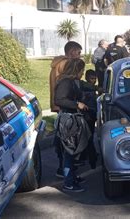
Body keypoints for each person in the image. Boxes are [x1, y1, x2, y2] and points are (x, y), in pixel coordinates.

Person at [54, 58, 89, 192]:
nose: (82, 73)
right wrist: (76, 104)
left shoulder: (72, 82)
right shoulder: (65, 82)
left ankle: (72, 176)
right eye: (82, 70)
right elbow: (59, 100)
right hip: (67, 120)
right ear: (77, 70)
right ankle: (68, 182)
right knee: (69, 152)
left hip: (72, 118)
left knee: (73, 152)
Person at [49, 41, 82, 112]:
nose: (79, 56)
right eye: (78, 53)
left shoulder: (58, 62)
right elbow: (76, 78)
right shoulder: (66, 63)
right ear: (72, 52)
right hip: (64, 101)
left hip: (58, 100)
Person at [79, 70, 98, 169]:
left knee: (89, 136)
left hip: (92, 115)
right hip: (87, 116)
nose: (93, 81)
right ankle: (90, 157)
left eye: (95, 79)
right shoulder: (85, 88)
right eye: (92, 78)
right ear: (87, 78)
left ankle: (89, 156)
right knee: (88, 137)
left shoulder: (91, 89)